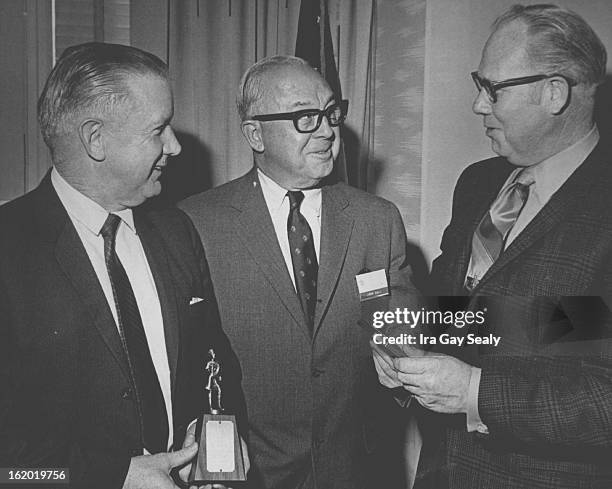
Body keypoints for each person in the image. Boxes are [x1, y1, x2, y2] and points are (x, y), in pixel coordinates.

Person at [374, 4, 612, 488]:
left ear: (554, 93)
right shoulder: (478, 184)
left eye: (493, 89)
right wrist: (406, 349)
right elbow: (458, 310)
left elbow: (603, 398)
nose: (479, 105)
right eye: (477, 84)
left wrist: (475, 392)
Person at [0, 42, 246, 489]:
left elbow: (213, 355)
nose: (174, 145)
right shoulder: (8, 249)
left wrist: (211, 440)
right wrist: (109, 478)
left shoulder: (176, 231)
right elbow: (9, 471)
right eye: (159, 130)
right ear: (96, 140)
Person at [180, 55, 419, 489]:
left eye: (331, 113)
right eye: (305, 118)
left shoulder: (376, 220)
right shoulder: (195, 223)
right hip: (251, 473)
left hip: (357, 469)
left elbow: (399, 330)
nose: (328, 130)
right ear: (255, 133)